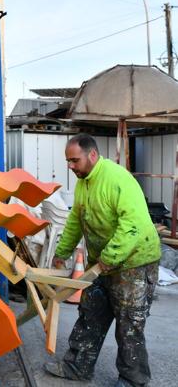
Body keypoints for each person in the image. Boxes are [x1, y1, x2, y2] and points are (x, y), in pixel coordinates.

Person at [44, 133, 161, 387]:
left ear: (92, 155)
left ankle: (133, 380)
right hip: (102, 264)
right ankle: (78, 366)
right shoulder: (84, 182)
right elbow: (77, 218)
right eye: (68, 161)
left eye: (74, 160)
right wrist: (62, 252)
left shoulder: (117, 179)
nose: (70, 166)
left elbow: (134, 224)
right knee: (90, 313)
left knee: (129, 324)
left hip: (134, 263)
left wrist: (110, 257)